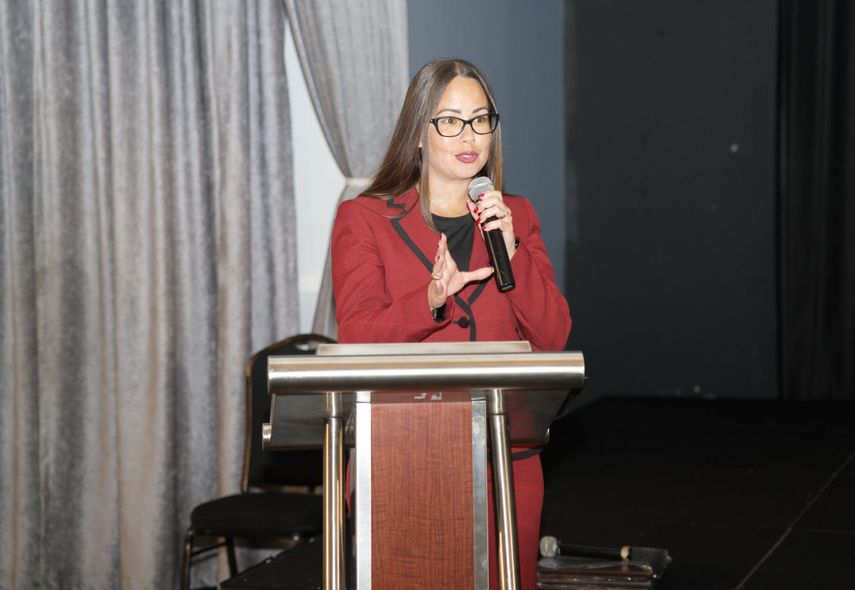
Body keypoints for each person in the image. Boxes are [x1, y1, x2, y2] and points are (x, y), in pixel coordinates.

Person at [331, 58, 571, 590]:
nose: (470, 135)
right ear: (419, 133)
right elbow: (358, 337)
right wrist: (431, 299)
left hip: (506, 461)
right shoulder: (365, 219)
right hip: (403, 462)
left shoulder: (517, 215)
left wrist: (514, 251)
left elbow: (553, 335)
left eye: (481, 119)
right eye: (451, 120)